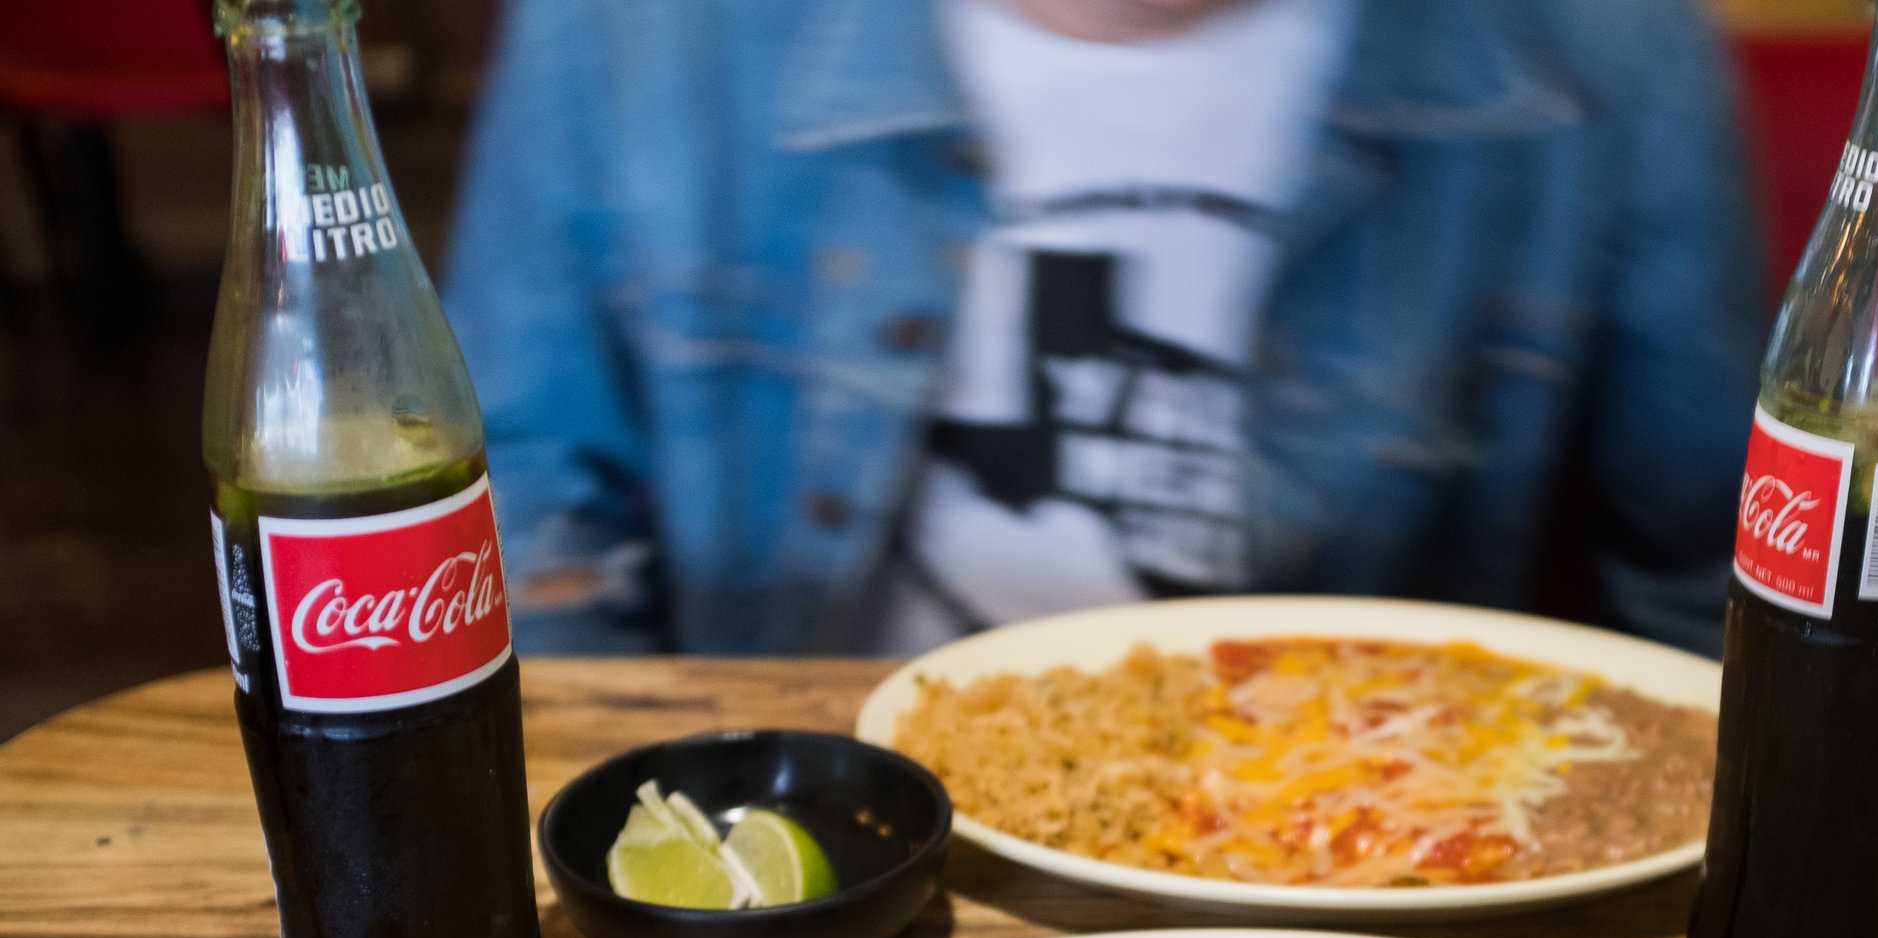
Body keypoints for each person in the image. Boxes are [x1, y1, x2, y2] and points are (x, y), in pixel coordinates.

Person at [446, 0, 1765, 659]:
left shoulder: (1605, 48)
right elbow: (523, 551)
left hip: (1376, 894)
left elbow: (1708, 589)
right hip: (813, 892)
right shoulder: (629, 35)